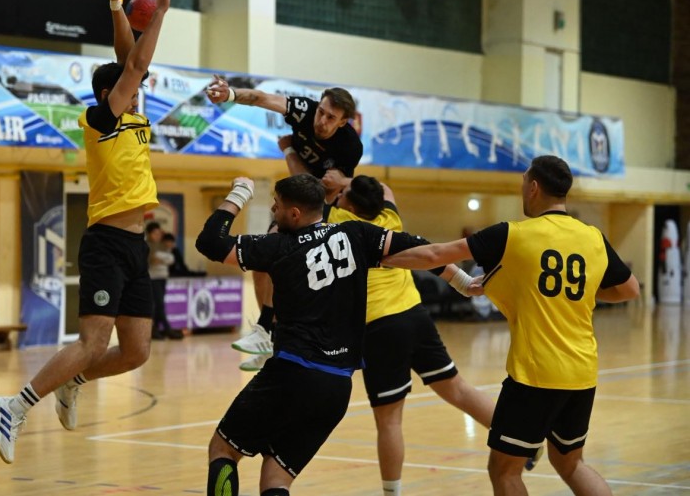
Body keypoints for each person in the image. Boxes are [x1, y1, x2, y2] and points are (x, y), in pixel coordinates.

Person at [195, 173, 478, 496]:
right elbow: (426, 253)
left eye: (276, 207)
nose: (274, 213)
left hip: (291, 373)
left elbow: (210, 242)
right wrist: (463, 282)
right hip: (335, 389)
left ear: (295, 214)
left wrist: (239, 194)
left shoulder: (278, 246)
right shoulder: (356, 233)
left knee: (223, 450)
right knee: (276, 476)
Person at [0, 0, 171, 464]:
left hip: (135, 246)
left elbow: (125, 61)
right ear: (114, 93)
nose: (141, 82)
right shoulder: (101, 120)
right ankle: (14, 405)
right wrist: (161, 18)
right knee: (93, 342)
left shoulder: (131, 113)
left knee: (136, 351)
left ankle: (73, 381)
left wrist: (116, 6)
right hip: (108, 244)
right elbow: (130, 66)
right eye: (133, 82)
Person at [383, 155, 640, 496]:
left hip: (534, 376)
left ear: (533, 187)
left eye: (523, 184)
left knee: (504, 470)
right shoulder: (593, 237)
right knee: (571, 463)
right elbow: (629, 289)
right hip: (582, 372)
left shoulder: (512, 234)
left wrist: (381, 257)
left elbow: (434, 255)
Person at [324, 171, 496, 496]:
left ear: (347, 202)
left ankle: (392, 493)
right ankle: (519, 440)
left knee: (389, 421)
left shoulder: (338, 221)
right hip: (414, 314)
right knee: (457, 388)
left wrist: (333, 185)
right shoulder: (390, 216)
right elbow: (383, 189)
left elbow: (308, 190)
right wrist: (347, 181)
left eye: (344, 191)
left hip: (377, 325)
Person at [206, 79, 364, 370]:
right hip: (296, 198)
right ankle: (267, 334)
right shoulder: (305, 110)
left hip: (320, 206)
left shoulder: (349, 146)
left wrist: (290, 152)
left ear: (343, 123)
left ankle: (267, 330)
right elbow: (261, 98)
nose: (322, 120)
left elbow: (320, 189)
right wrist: (230, 94)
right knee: (262, 264)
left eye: (331, 118)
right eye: (322, 112)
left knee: (277, 251)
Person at [146, 221, 183, 340]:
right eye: (154, 233)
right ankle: (165, 329)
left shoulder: (163, 245)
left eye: (158, 233)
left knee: (159, 304)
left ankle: (157, 329)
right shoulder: (147, 245)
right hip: (153, 278)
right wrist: (160, 259)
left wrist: (160, 259)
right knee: (157, 305)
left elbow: (171, 259)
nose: (157, 235)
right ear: (149, 233)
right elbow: (151, 260)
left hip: (163, 277)